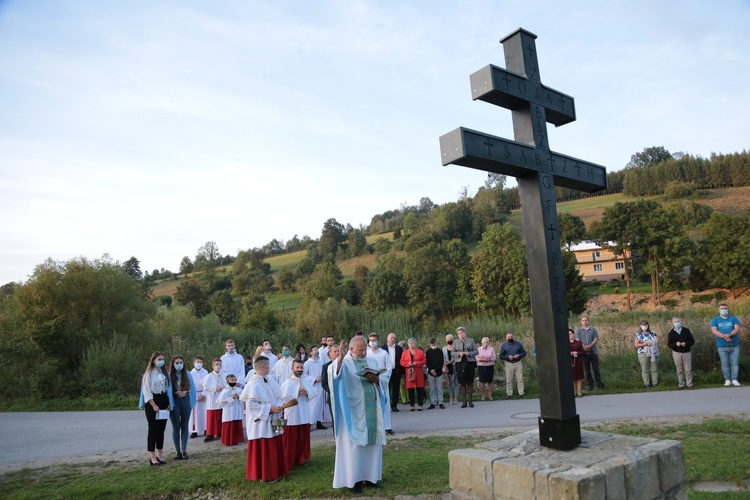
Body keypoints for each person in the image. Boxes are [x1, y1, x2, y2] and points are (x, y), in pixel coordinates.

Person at [331, 336, 387, 494]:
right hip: (353, 410)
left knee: (372, 446)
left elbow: (381, 381)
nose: (363, 352)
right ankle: (352, 481)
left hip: (371, 407)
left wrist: (376, 380)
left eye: (365, 349)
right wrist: (340, 358)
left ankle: (371, 478)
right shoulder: (345, 362)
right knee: (353, 448)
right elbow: (335, 374)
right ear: (351, 349)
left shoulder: (372, 361)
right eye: (360, 350)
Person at [240, 355, 289, 483]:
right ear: (262, 367)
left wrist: (278, 406)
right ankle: (267, 475)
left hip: (273, 418)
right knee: (265, 448)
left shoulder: (270, 380)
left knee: (275, 444)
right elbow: (251, 405)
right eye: (268, 366)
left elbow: (279, 395)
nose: (270, 368)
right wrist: (269, 409)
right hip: (260, 423)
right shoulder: (252, 384)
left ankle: (278, 471)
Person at [280, 359, 317, 468]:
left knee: (302, 437)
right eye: (297, 368)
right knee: (292, 438)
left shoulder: (305, 381)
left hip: (304, 411)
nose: (300, 370)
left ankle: (301, 458)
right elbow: (284, 397)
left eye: (301, 368)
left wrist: (306, 393)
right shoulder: (287, 382)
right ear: (292, 369)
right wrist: (296, 393)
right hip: (293, 413)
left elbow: (312, 393)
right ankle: (289, 460)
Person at [139, 351, 173, 466]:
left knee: (161, 430)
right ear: (153, 360)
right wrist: (153, 405)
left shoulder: (164, 374)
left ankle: (160, 454)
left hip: (163, 401)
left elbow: (168, 390)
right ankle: (152, 456)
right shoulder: (148, 374)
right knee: (153, 429)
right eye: (159, 359)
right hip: (153, 402)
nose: (161, 361)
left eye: (163, 359)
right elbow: (146, 391)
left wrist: (169, 403)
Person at [168, 355, 197, 460]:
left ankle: (184, 450)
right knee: (176, 427)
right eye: (177, 363)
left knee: (184, 426)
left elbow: (192, 388)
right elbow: (168, 390)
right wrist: (175, 392)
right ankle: (177, 451)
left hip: (185, 401)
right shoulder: (169, 375)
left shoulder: (188, 374)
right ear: (173, 364)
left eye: (181, 362)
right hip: (175, 401)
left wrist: (186, 391)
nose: (179, 365)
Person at [366, 333, 395, 434]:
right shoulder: (367, 354)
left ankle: (387, 427)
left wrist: (380, 378)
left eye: (374, 340)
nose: (372, 342)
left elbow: (389, 368)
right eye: (370, 340)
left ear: (378, 341)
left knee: (385, 405)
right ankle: (374, 427)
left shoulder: (384, 353)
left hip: (382, 383)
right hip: (370, 383)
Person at [711, 303, 742, 387]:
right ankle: (727, 379)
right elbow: (714, 330)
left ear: (727, 309)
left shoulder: (734, 319)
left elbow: (737, 328)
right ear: (719, 310)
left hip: (734, 345)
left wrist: (730, 334)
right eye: (722, 308)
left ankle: (734, 379)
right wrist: (725, 337)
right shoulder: (715, 320)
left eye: (725, 308)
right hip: (722, 345)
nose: (724, 310)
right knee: (725, 363)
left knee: (734, 363)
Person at [575, 315, 605, 390]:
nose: (585, 322)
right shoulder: (579, 330)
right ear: (581, 322)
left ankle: (599, 384)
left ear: (588, 321)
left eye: (586, 320)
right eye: (583, 320)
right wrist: (584, 347)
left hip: (593, 352)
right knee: (587, 370)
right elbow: (578, 340)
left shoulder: (593, 330)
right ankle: (590, 385)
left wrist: (589, 346)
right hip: (584, 353)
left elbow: (595, 339)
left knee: (596, 369)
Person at [667, 316, 696, 390]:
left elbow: (692, 341)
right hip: (676, 352)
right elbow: (669, 344)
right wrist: (675, 344)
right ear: (673, 323)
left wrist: (685, 343)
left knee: (688, 369)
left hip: (686, 352)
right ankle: (681, 384)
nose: (677, 323)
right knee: (679, 369)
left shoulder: (686, 330)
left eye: (678, 321)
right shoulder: (671, 333)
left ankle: (689, 384)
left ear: (681, 322)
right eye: (675, 322)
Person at [452, 326, 478, 408]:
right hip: (460, 363)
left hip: (469, 362)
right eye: (458, 333)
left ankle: (470, 401)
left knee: (470, 382)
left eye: (461, 333)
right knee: (462, 382)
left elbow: (476, 351)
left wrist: (469, 353)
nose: (460, 334)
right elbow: (452, 353)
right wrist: (458, 354)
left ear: (464, 333)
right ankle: (464, 401)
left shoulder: (471, 340)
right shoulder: (455, 342)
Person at [303, 346, 327, 430]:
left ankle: (319, 422)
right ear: (310, 352)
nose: (317, 351)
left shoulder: (320, 362)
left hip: (320, 386)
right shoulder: (307, 363)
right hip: (312, 386)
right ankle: (309, 423)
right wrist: (314, 379)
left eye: (317, 349)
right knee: (312, 405)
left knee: (320, 405)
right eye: (315, 350)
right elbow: (304, 375)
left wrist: (322, 377)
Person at [218, 373, 245, 446]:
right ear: (227, 381)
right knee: (229, 424)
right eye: (232, 380)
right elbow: (220, 401)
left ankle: (239, 439)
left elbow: (243, 398)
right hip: (229, 410)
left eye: (235, 380)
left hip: (237, 409)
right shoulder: (225, 391)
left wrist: (238, 397)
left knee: (237, 423)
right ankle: (229, 440)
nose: (234, 381)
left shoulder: (238, 389)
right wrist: (231, 398)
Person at [400, 338, 427, 411]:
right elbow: (401, 362)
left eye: (412, 343)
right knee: (410, 390)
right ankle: (412, 405)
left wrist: (416, 363)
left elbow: (424, 361)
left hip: (418, 372)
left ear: (415, 344)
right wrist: (408, 364)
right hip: (409, 373)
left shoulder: (420, 352)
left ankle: (420, 405)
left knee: (419, 389)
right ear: (407, 344)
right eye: (409, 343)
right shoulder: (404, 353)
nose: (411, 345)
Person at [201, 358, 224, 442]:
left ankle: (220, 432)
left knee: (221, 415)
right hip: (213, 398)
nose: (218, 366)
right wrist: (215, 388)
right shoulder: (209, 376)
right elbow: (205, 387)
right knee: (212, 416)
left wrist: (223, 388)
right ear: (213, 366)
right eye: (216, 364)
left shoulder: (224, 375)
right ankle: (210, 434)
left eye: (220, 364)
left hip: (221, 398)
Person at [498, 332, 526, 399]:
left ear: (513, 337)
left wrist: (519, 355)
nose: (510, 338)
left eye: (511, 337)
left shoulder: (518, 344)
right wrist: (507, 357)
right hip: (509, 363)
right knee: (509, 379)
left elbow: (524, 352)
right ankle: (509, 393)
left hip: (518, 362)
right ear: (506, 338)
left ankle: (521, 393)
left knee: (520, 379)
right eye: (508, 337)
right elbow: (501, 356)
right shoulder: (504, 346)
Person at [634, 320, 660, 388]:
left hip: (653, 353)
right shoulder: (638, 334)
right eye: (642, 325)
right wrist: (644, 344)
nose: (644, 326)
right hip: (643, 353)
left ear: (648, 325)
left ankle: (655, 383)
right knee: (645, 369)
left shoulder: (653, 333)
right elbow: (636, 345)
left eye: (645, 325)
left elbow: (656, 341)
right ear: (640, 326)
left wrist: (651, 342)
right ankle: (646, 384)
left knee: (654, 369)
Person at [320, 343, 340, 431]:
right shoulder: (326, 367)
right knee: (336, 420)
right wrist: (333, 391)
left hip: (345, 396)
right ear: (330, 354)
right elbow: (324, 383)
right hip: (333, 397)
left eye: (338, 351)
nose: (337, 353)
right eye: (335, 351)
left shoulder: (346, 364)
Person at [188, 356, 208, 439]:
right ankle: (194, 431)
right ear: (194, 363)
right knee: (194, 414)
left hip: (204, 395)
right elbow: (190, 386)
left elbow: (207, 384)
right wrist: (196, 396)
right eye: (197, 362)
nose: (199, 364)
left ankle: (206, 429)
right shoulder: (190, 374)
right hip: (194, 395)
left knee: (204, 413)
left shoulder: (205, 372)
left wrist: (203, 394)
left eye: (200, 362)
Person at [385, 333, 404, 413]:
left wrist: (402, 372)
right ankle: (387, 405)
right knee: (387, 389)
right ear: (387, 338)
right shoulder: (382, 348)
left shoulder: (399, 348)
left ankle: (394, 405)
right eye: (391, 338)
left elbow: (402, 361)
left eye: (394, 338)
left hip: (396, 371)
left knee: (396, 389)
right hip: (386, 372)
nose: (392, 339)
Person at [425, 337, 445, 409]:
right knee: (432, 388)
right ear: (430, 344)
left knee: (439, 388)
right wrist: (431, 370)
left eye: (434, 344)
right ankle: (433, 402)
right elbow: (427, 362)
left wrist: (436, 370)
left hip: (439, 372)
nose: (433, 345)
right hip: (431, 372)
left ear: (436, 343)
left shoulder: (440, 351)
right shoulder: (428, 352)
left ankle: (441, 402)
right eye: (432, 344)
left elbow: (441, 362)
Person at [476, 337, 496, 401]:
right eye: (484, 342)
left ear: (489, 342)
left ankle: (490, 395)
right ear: (482, 342)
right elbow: (476, 358)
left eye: (487, 342)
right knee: (482, 382)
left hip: (490, 365)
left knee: (490, 381)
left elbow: (494, 357)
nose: (485, 343)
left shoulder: (491, 349)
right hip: (481, 366)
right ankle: (483, 396)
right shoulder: (478, 349)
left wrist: (489, 359)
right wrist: (482, 359)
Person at [443, 334, 459, 405]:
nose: (449, 340)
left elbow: (457, 357)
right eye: (448, 339)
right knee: (449, 383)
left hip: (455, 365)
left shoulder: (456, 347)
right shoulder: (444, 348)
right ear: (446, 340)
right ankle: (451, 398)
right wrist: (445, 364)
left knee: (456, 382)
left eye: (451, 339)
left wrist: (449, 362)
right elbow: (442, 357)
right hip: (447, 367)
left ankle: (456, 398)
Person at [569, 328, 585, 398]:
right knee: (571, 377)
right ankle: (573, 392)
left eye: (570, 333)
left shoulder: (578, 342)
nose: (569, 335)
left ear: (573, 334)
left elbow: (583, 352)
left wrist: (577, 353)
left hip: (578, 361)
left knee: (579, 377)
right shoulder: (565, 343)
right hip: (569, 361)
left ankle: (579, 392)